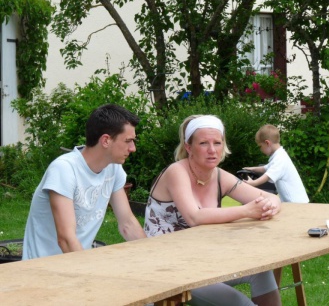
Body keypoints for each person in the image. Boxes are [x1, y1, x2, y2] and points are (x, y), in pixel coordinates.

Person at [144, 114, 282, 306]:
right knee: (238, 303)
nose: (212, 150)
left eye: (217, 143)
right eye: (203, 143)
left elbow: (267, 197)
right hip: (168, 270)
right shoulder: (176, 171)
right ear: (188, 147)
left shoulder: (218, 176)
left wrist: (272, 203)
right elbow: (194, 217)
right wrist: (246, 211)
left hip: (204, 261)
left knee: (262, 270)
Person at [22, 104, 146, 260]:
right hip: (42, 271)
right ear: (106, 140)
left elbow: (128, 224)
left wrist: (150, 258)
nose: (133, 148)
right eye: (128, 141)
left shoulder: (113, 169)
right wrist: (88, 275)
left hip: (76, 265)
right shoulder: (64, 169)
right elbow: (66, 239)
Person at [242, 124, 309, 203]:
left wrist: (253, 183)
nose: (260, 149)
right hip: (292, 202)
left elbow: (268, 175)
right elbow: (266, 168)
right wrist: (252, 169)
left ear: (267, 143)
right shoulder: (278, 155)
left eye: (260, 146)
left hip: (296, 203)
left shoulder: (280, 159)